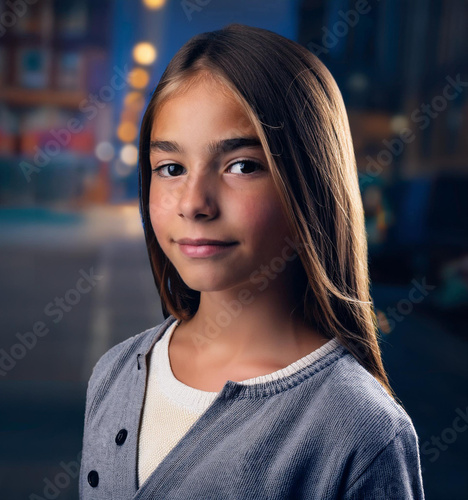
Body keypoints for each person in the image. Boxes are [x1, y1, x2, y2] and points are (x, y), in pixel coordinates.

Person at [79, 24, 425, 499]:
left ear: (311, 183)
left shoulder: (360, 431)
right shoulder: (114, 373)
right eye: (171, 169)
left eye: (242, 165)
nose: (194, 203)